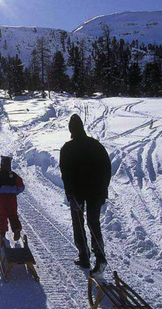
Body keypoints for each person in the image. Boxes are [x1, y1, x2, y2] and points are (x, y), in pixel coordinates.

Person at [60, 114, 112, 276]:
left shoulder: (67, 148)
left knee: (79, 223)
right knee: (93, 222)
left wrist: (70, 194)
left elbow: (66, 174)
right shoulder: (95, 145)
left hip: (79, 193)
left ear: (71, 130)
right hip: (95, 192)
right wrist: (103, 189)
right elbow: (106, 169)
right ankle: (96, 256)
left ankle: (86, 255)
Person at [0, 156, 25, 241]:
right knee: (13, 214)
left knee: (2, 215)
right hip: (12, 198)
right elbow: (21, 187)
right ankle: (16, 229)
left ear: (2, 164)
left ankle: (3, 233)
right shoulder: (14, 175)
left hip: (1, 198)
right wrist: (14, 190)